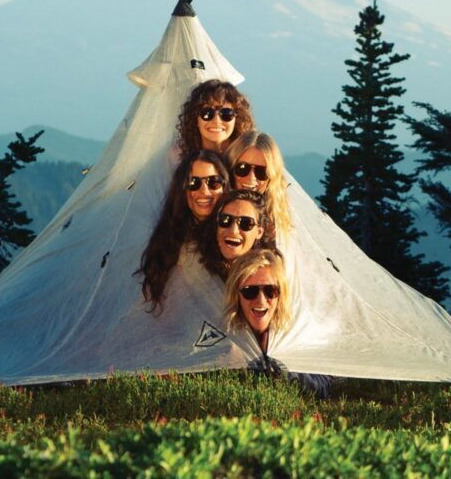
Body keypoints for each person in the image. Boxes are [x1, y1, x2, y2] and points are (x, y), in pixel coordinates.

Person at [224, 249, 332, 398]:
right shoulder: (225, 338)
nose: (261, 300)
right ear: (237, 295)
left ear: (280, 295)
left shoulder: (294, 332)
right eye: (250, 291)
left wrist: (281, 373)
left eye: (270, 291)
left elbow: (323, 384)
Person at [138, 150, 230, 312]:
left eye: (213, 183)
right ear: (182, 190)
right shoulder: (167, 243)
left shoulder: (237, 235)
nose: (205, 191)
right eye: (194, 183)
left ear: (224, 187)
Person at [224, 131, 292, 244]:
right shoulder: (213, 211)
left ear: (271, 177)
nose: (251, 178)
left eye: (262, 172)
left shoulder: (279, 227)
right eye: (242, 168)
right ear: (230, 168)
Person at [196, 190, 268, 280]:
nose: (233, 230)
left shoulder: (267, 280)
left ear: (259, 232)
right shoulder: (193, 272)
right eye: (226, 220)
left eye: (245, 223)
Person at [175, 80, 255, 156]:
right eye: (207, 113)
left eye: (226, 113)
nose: (216, 120)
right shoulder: (178, 157)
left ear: (236, 120)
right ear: (195, 119)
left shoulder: (250, 159)